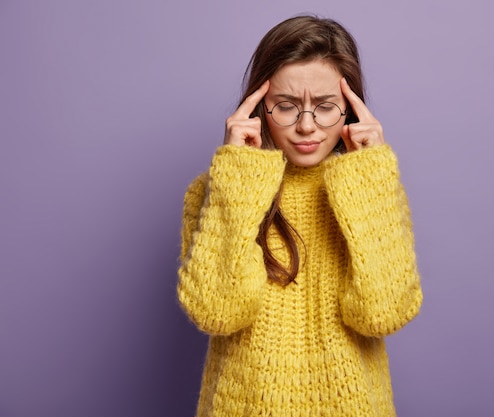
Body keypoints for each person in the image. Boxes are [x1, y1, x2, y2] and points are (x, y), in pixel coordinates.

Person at [177, 14, 423, 417]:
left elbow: (382, 313)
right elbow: (217, 311)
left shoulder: (373, 189)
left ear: (351, 110)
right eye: (286, 106)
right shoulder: (216, 189)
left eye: (326, 107)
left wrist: (369, 177)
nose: (306, 126)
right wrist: (238, 175)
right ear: (257, 107)